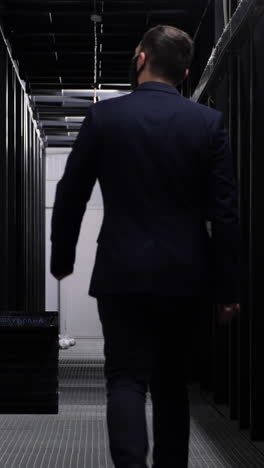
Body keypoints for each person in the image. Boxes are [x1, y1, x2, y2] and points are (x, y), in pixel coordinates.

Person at [50, 24, 240, 468]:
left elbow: (70, 193)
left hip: (121, 272)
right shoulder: (208, 124)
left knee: (125, 380)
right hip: (186, 276)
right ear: (187, 72)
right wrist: (229, 289)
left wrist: (62, 258)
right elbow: (226, 214)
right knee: (172, 382)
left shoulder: (105, 118)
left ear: (140, 59)